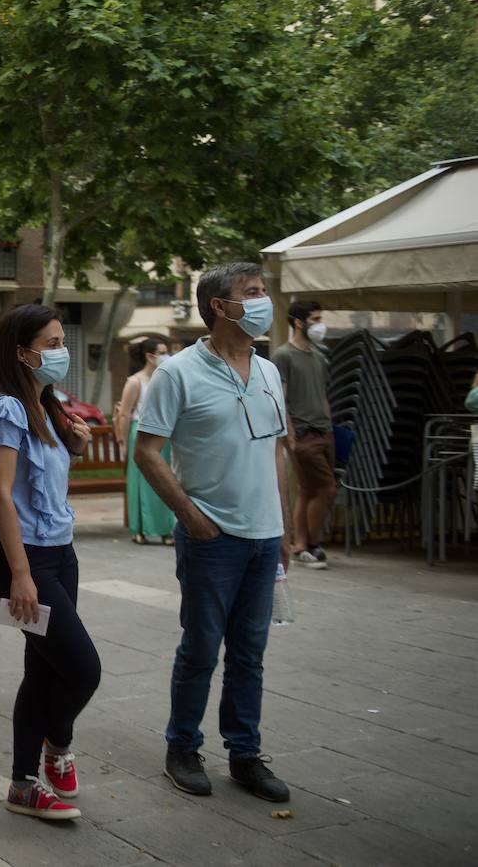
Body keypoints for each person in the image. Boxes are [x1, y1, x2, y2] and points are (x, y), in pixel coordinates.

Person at [135, 261, 292, 804]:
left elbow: (275, 451)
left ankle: (245, 755)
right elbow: (147, 451)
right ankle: (182, 748)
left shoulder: (269, 371)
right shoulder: (178, 372)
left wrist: (285, 529)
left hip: (264, 536)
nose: (263, 301)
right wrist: (190, 516)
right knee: (201, 648)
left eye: (263, 292)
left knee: (251, 652)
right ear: (220, 307)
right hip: (212, 539)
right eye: (252, 293)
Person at [0, 304, 99, 821]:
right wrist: (20, 575)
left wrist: (73, 444)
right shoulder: (5, 409)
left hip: (61, 553)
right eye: (50, 344)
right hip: (27, 562)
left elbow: (40, 484)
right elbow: (1, 496)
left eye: (61, 341)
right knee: (83, 668)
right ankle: (58, 743)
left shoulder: (46, 405)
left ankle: (23, 785)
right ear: (21, 352)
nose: (60, 351)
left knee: (44, 670)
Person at [273, 301, 335, 570]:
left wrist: (330, 428)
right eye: (315, 319)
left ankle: (300, 544)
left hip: (324, 431)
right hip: (302, 433)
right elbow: (280, 399)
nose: (320, 324)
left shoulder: (319, 357)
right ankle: (309, 543)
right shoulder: (283, 355)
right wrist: (290, 434)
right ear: (298, 322)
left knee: (309, 490)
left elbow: (323, 395)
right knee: (327, 489)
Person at [116, 337, 176, 547]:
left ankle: (166, 529)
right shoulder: (135, 381)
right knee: (139, 482)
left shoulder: (167, 378)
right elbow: (124, 414)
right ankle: (139, 529)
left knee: (165, 480)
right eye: (162, 352)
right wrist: (122, 442)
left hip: (163, 435)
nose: (166, 355)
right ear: (149, 356)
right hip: (139, 433)